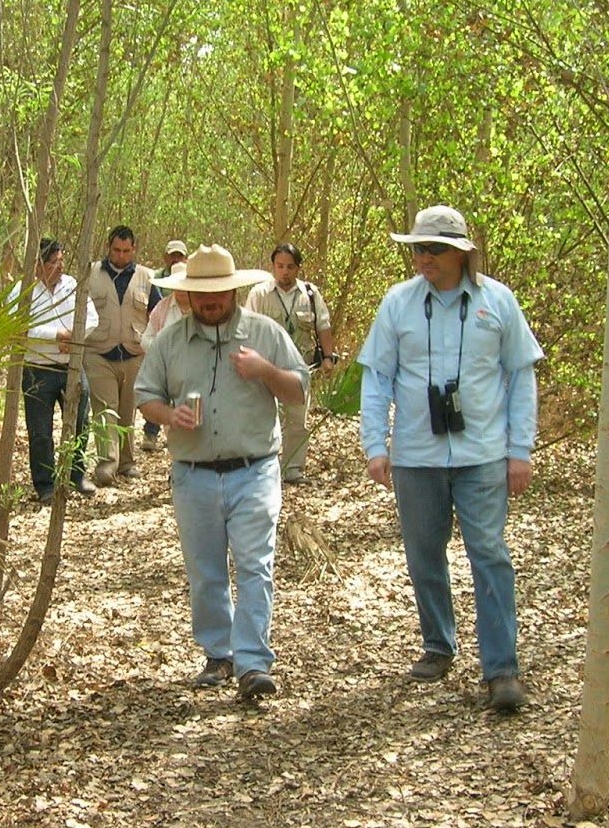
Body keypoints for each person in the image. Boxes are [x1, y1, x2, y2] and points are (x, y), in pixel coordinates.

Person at [358, 205, 543, 712]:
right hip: (416, 455)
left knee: (489, 554)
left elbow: (521, 376)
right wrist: (375, 445)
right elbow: (377, 378)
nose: (424, 257)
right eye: (418, 248)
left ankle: (501, 668)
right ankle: (439, 644)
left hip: (483, 453)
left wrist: (520, 451)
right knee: (424, 554)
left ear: (461, 252)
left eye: (434, 249)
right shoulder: (397, 303)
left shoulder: (497, 301)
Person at [136, 244, 309, 701]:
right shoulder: (170, 341)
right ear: (188, 294)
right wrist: (170, 415)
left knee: (255, 565)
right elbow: (145, 395)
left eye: (219, 293)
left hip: (254, 469)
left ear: (234, 292)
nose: (211, 301)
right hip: (193, 474)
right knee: (206, 570)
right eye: (202, 294)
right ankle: (219, 654)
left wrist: (265, 370)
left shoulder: (265, 333)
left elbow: (298, 391)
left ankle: (253, 663)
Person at [244, 243, 341, 484]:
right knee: (264, 418)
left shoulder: (310, 294)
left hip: (300, 367)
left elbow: (323, 325)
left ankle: (293, 469)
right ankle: (263, 467)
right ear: (273, 267)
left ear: (298, 268)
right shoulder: (259, 294)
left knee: (298, 420)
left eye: (290, 267)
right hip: (266, 367)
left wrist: (328, 357)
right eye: (280, 266)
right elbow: (246, 328)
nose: (284, 272)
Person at [16, 238, 99, 504]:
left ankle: (77, 475)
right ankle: (45, 485)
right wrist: (56, 335)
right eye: (55, 261)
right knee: (40, 431)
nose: (61, 266)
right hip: (37, 370)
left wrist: (72, 336)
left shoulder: (73, 285)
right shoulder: (23, 290)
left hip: (71, 366)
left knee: (80, 422)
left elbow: (92, 318)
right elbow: (20, 326)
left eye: (62, 260)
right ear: (39, 264)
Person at [85, 225, 160, 485]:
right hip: (98, 352)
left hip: (133, 352)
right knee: (105, 409)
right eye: (116, 250)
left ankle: (126, 462)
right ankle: (107, 465)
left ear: (134, 249)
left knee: (128, 410)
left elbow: (157, 314)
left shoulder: (147, 277)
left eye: (126, 251)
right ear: (108, 247)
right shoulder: (90, 273)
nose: (121, 255)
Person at [143, 239, 188, 453]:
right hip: (168, 373)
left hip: (197, 375)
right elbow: (146, 339)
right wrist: (161, 354)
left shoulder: (203, 309)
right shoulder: (162, 308)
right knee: (171, 422)